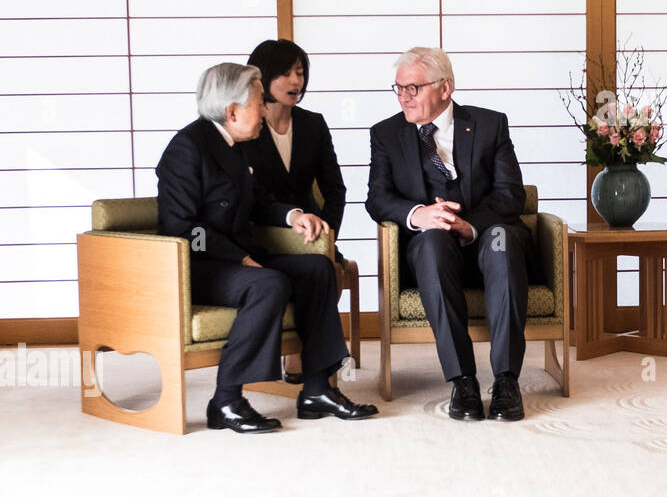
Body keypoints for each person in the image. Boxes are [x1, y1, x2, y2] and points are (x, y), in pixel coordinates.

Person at [155, 62, 378, 433]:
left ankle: (317, 389)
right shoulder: (187, 148)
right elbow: (182, 229)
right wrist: (239, 258)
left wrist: (293, 215)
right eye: (259, 102)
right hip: (197, 266)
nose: (264, 111)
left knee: (318, 269)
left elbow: (258, 201)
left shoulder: (237, 145)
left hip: (241, 258)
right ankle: (226, 400)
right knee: (268, 283)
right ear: (232, 111)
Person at [365, 47, 533, 422]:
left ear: (445, 88)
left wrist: (469, 224)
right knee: (431, 241)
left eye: (413, 88)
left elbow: (511, 195)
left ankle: (506, 381)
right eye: (398, 88)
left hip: (488, 237)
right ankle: (463, 380)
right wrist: (419, 214)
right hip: (432, 248)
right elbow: (377, 198)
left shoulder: (490, 125)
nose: (403, 97)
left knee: (502, 242)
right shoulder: (387, 134)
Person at [240, 39, 348, 383]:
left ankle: (304, 352)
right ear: (263, 76)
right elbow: (250, 196)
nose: (295, 82)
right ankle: (296, 351)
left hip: (311, 233)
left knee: (330, 267)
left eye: (300, 73)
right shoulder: (244, 127)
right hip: (263, 233)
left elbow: (335, 188)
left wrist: (327, 232)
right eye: (285, 73)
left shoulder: (313, 124)